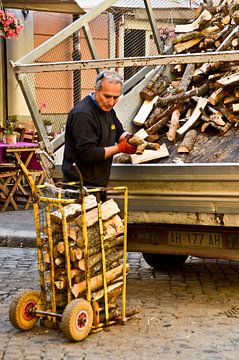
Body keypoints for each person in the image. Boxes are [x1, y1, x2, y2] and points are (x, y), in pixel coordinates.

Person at [62, 70, 136, 188]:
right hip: (80, 186)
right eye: (107, 96)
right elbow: (88, 154)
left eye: (115, 97)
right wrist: (120, 148)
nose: (111, 102)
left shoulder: (108, 110)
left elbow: (119, 133)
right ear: (96, 89)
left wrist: (131, 139)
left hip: (97, 184)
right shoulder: (83, 115)